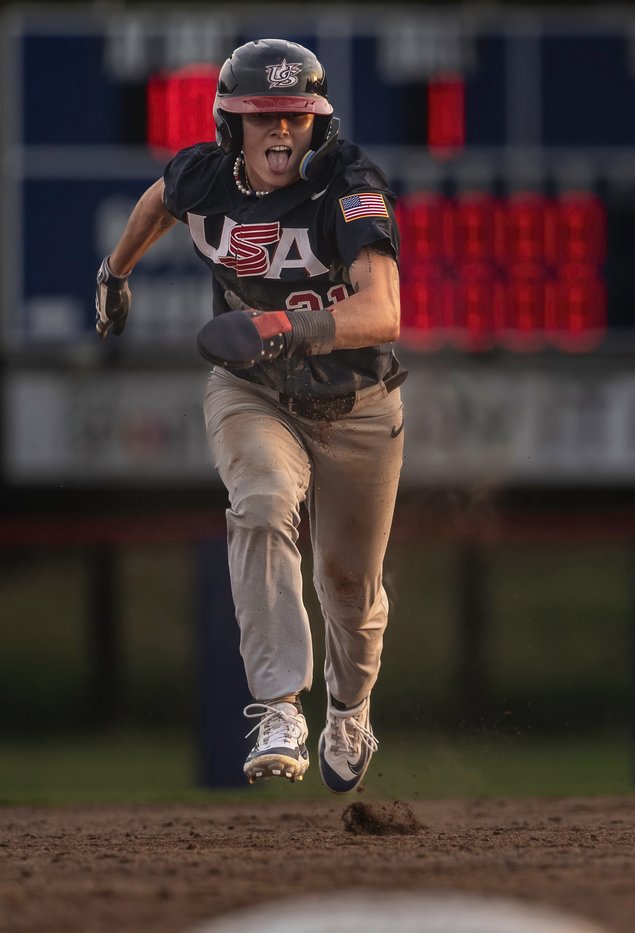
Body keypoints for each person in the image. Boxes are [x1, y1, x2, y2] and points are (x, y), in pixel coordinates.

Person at [94, 38, 406, 792]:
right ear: (228, 124)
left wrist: (282, 327)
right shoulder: (205, 173)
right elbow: (159, 201)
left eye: (296, 117)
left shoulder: (349, 184)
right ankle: (278, 705)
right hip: (255, 390)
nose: (279, 133)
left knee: (350, 589)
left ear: (317, 124)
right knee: (261, 502)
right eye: (260, 116)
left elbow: (384, 308)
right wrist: (115, 271)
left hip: (358, 404)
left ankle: (350, 708)